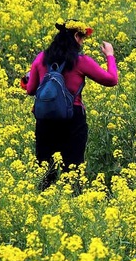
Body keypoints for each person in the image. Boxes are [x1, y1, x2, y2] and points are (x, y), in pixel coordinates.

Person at [25, 21, 119, 189]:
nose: (82, 42)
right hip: (72, 119)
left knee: (45, 170)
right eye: (82, 38)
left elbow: (31, 90)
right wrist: (110, 55)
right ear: (76, 36)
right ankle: (73, 196)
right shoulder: (80, 61)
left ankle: (44, 199)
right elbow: (112, 80)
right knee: (73, 168)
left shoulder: (41, 58)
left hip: (45, 119)